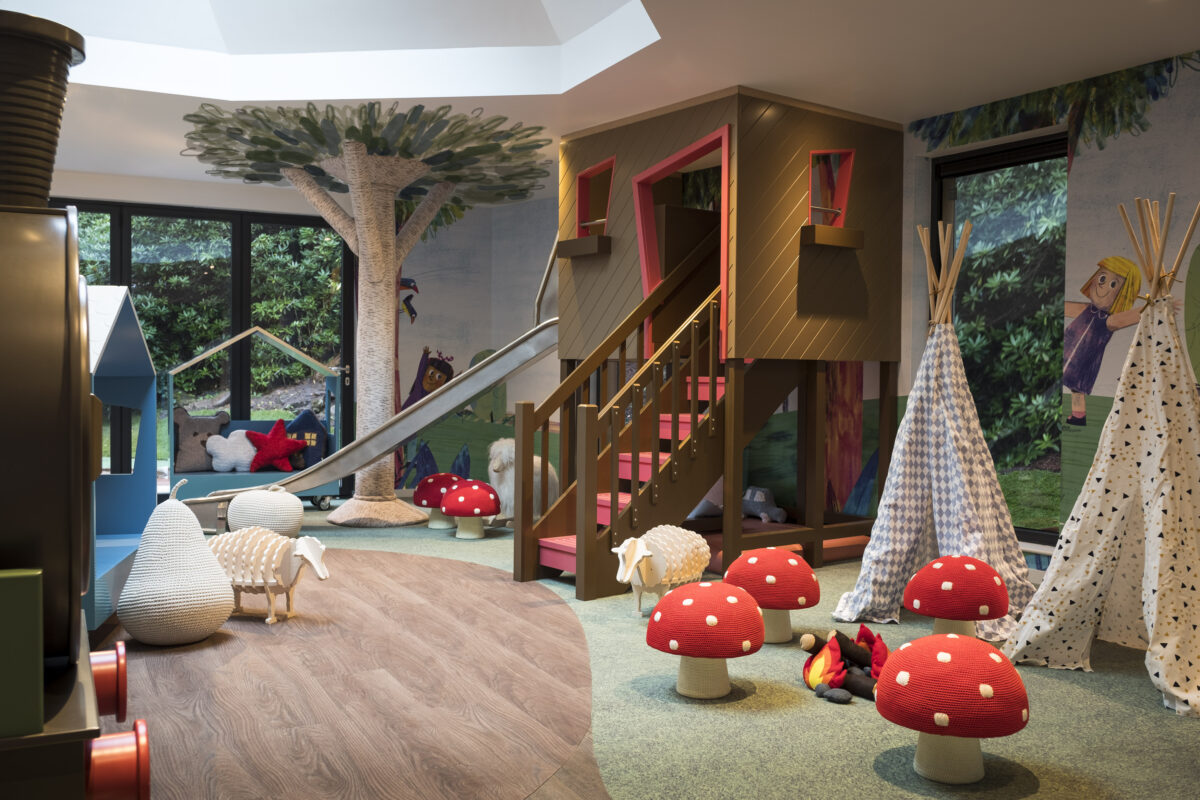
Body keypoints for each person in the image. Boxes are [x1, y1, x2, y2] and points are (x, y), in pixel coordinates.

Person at [1063, 256, 1142, 426]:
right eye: (1102, 279)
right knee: (1069, 384)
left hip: (1084, 358)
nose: (1103, 287)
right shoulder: (1086, 309)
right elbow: (1064, 307)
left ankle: (1078, 416)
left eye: (1113, 284)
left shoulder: (1109, 321)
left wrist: (1153, 306)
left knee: (1076, 388)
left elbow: (1129, 317)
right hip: (1067, 350)